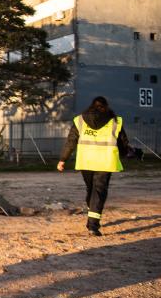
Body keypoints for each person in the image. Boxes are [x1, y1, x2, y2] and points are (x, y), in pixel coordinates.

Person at [57, 96, 138, 236]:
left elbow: (71, 141)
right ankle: (93, 226)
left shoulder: (80, 120)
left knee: (91, 189)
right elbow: (123, 143)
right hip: (105, 162)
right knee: (98, 191)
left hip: (86, 161)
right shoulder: (115, 121)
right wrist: (126, 154)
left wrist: (63, 159)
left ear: (91, 106)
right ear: (106, 106)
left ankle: (92, 220)